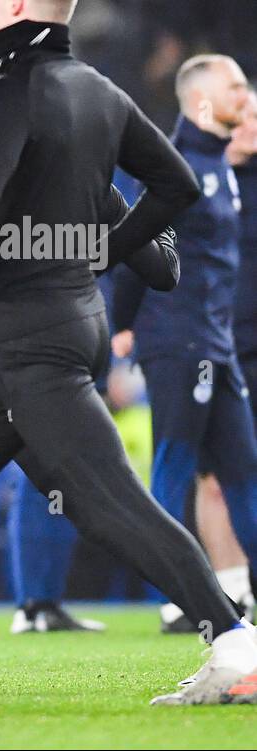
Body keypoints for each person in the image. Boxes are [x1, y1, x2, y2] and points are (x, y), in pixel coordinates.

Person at [0, 0, 256, 706]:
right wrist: (100, 253)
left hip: (32, 337)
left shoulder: (13, 85)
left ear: (25, 7)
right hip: (61, 330)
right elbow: (174, 200)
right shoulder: (98, 91)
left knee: (111, 503)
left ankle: (237, 644)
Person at [109, 57, 257, 631]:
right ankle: (176, 597)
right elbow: (132, 244)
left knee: (243, 469)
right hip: (178, 343)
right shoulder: (178, 169)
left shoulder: (220, 167)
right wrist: (124, 324)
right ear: (200, 102)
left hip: (216, 345)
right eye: (236, 87)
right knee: (175, 467)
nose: (246, 97)